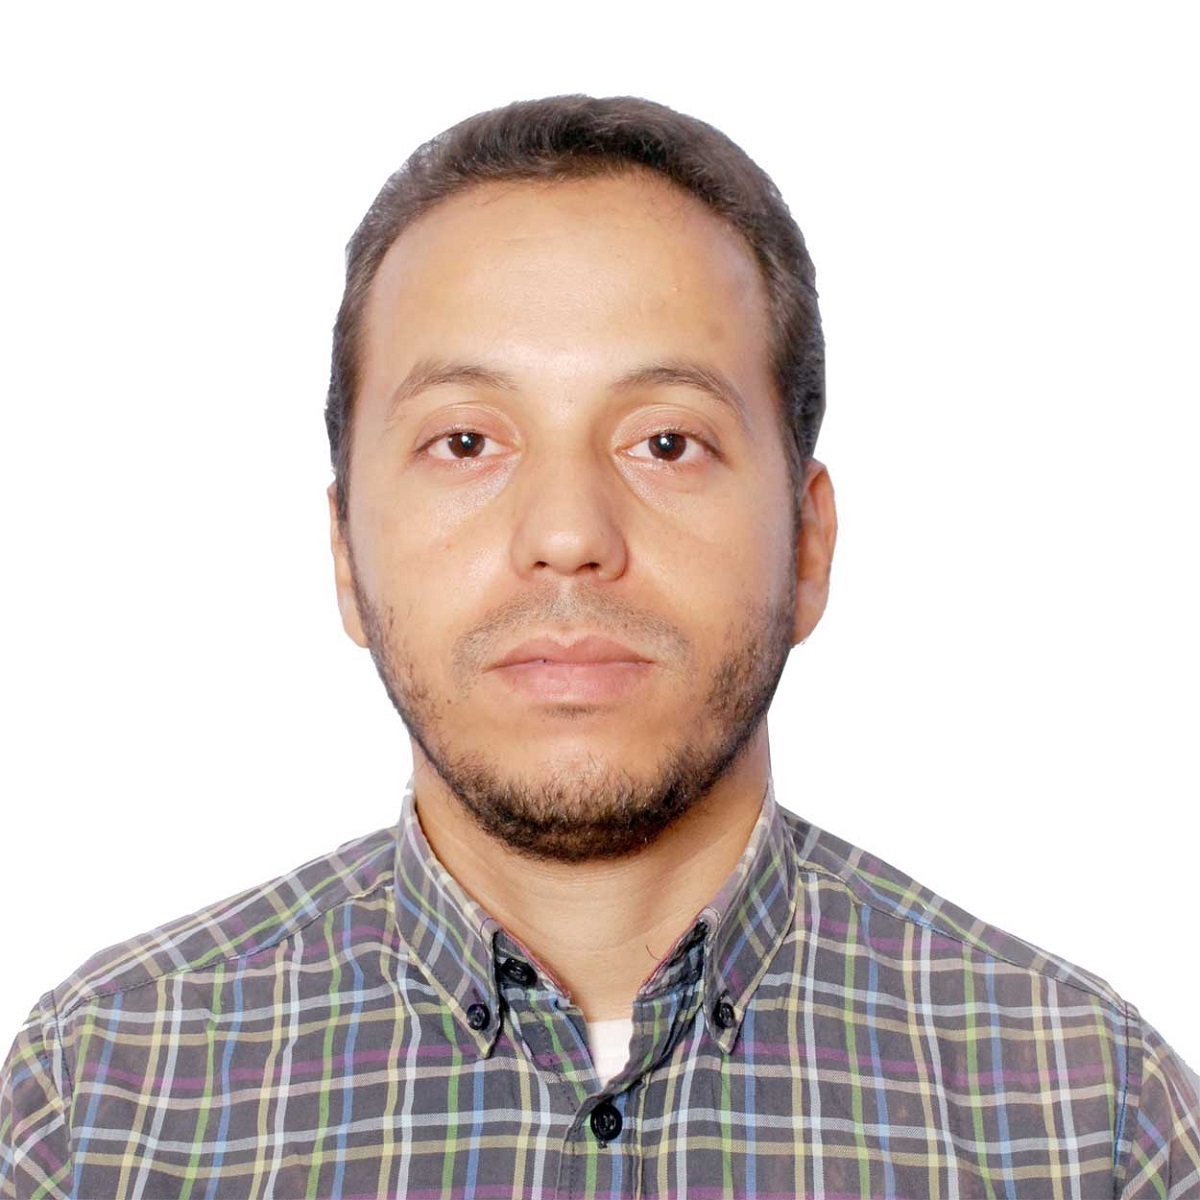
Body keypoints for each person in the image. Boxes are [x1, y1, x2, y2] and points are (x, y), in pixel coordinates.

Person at [1, 94, 1196, 1200]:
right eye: (466, 442)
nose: (568, 537)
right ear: (345, 555)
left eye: (666, 443)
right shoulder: (97, 1107)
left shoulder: (1091, 1119)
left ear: (808, 545)